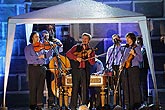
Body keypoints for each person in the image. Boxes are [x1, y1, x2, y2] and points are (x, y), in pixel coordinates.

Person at [24, 31, 53, 110]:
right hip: (33, 68)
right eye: (36, 37)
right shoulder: (28, 47)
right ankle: (32, 105)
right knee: (33, 87)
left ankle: (39, 104)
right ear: (32, 37)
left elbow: (48, 56)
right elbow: (29, 58)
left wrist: (51, 48)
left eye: (38, 37)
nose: (38, 38)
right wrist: (39, 58)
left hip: (42, 68)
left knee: (41, 87)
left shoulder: (42, 47)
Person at [66, 33, 95, 110]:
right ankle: (73, 106)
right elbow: (68, 54)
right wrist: (76, 58)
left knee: (85, 88)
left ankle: (84, 105)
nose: (84, 40)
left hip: (85, 70)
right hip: (76, 70)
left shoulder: (91, 50)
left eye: (86, 39)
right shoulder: (76, 47)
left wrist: (89, 56)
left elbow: (92, 62)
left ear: (89, 40)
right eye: (83, 38)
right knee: (75, 87)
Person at [40, 30, 63, 109]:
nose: (45, 36)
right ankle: (41, 103)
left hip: (53, 65)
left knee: (52, 84)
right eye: (43, 35)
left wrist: (57, 46)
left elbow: (61, 50)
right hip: (43, 65)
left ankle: (52, 102)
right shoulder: (39, 44)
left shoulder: (54, 42)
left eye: (47, 35)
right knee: (42, 85)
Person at [120, 32, 143, 110]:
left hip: (134, 69)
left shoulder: (137, 47)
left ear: (132, 39)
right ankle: (129, 104)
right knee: (127, 87)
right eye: (126, 39)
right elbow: (124, 58)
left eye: (128, 38)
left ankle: (137, 104)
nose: (127, 40)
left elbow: (140, 59)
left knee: (135, 86)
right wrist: (121, 64)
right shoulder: (126, 48)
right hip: (127, 69)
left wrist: (134, 54)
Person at [105, 34, 125, 106]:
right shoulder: (110, 49)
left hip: (121, 67)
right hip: (114, 68)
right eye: (114, 39)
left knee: (122, 86)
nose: (115, 40)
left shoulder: (123, 47)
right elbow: (109, 60)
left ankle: (123, 103)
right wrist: (110, 69)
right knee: (114, 87)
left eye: (116, 39)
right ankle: (115, 103)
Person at [136, 36, 149, 105]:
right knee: (138, 84)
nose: (138, 42)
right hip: (137, 69)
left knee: (144, 84)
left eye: (139, 41)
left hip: (144, 68)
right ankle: (139, 100)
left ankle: (145, 99)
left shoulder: (145, 49)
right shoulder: (136, 49)